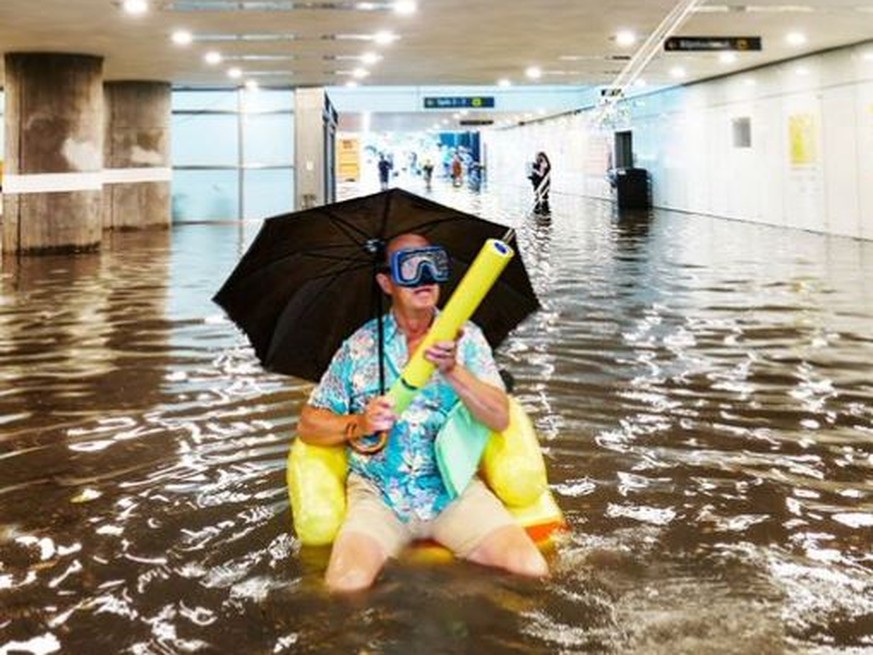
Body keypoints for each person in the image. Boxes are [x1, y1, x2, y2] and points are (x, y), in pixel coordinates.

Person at [298, 233, 549, 592]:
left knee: (530, 570)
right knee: (345, 586)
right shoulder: (360, 346)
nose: (426, 276)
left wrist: (454, 372)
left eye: (433, 263)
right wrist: (360, 422)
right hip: (379, 493)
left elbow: (499, 417)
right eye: (411, 266)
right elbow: (309, 424)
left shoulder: (468, 339)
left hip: (452, 489)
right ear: (386, 282)